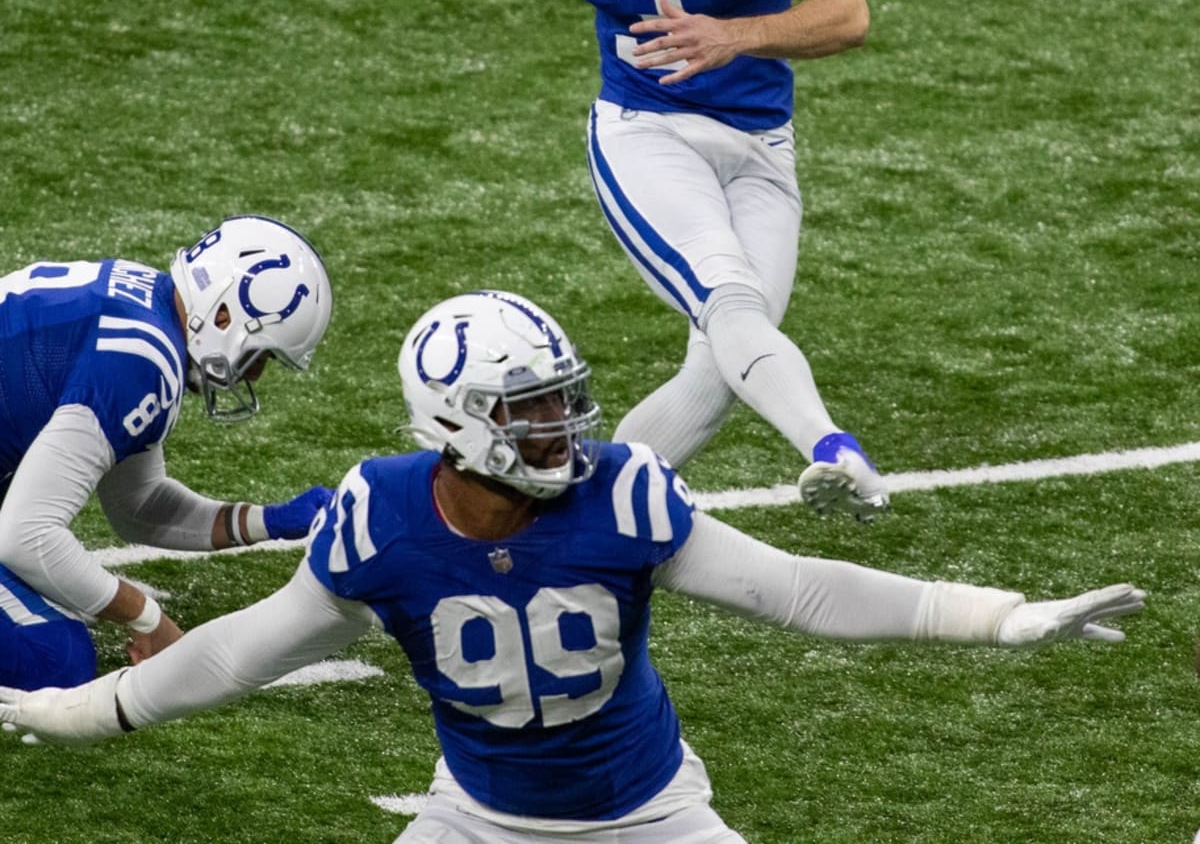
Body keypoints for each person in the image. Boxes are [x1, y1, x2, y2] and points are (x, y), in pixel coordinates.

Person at [0, 289, 1145, 844]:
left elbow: (800, 590)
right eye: (531, 412)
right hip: (477, 822)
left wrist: (1001, 618)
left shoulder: (622, 495)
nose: (564, 430)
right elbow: (231, 657)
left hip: (653, 814)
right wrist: (75, 713)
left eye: (560, 403)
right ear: (455, 423)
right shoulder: (383, 520)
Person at [266, 0, 885, 520]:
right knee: (729, 303)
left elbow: (846, 13)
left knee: (717, 365)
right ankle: (832, 448)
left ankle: (583, 511)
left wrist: (733, 35)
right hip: (644, 127)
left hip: (760, 139)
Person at [0, 214, 335, 692]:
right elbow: (24, 536)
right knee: (53, 660)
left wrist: (269, 521)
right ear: (224, 315)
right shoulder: (143, 359)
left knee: (62, 591)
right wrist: (147, 619)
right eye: (260, 355)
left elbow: (139, 506)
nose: (254, 375)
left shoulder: (149, 312)